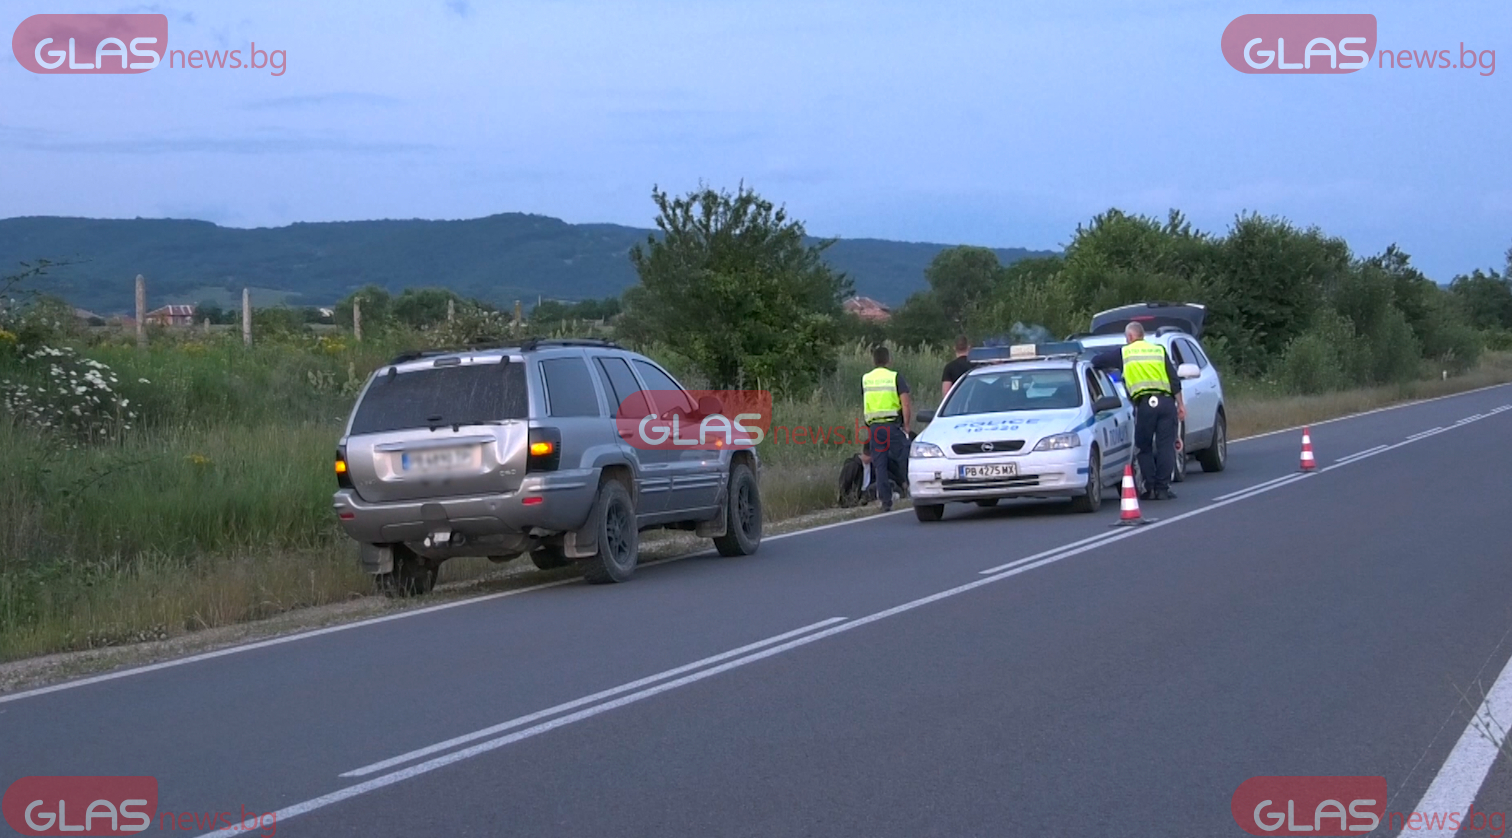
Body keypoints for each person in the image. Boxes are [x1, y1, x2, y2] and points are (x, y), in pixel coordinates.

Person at [1091, 322, 1185, 500]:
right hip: (1166, 403)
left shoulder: (1125, 353)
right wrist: (1180, 405)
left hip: (1144, 405)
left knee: (1144, 447)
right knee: (1166, 446)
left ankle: (1149, 488)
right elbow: (1174, 381)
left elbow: (1097, 361)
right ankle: (1163, 488)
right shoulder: (1158, 351)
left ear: (1130, 337)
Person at [862, 345, 912, 512]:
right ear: (889, 360)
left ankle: (885, 501)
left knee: (880, 464)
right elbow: (905, 403)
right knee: (905, 455)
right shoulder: (895, 377)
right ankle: (912, 488)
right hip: (892, 425)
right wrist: (906, 425)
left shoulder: (866, 379)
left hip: (874, 427)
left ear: (874, 360)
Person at [941, 335, 972, 399]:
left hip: (957, 405)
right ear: (968, 347)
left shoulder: (949, 368)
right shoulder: (977, 366)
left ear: (954, 348)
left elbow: (946, 394)